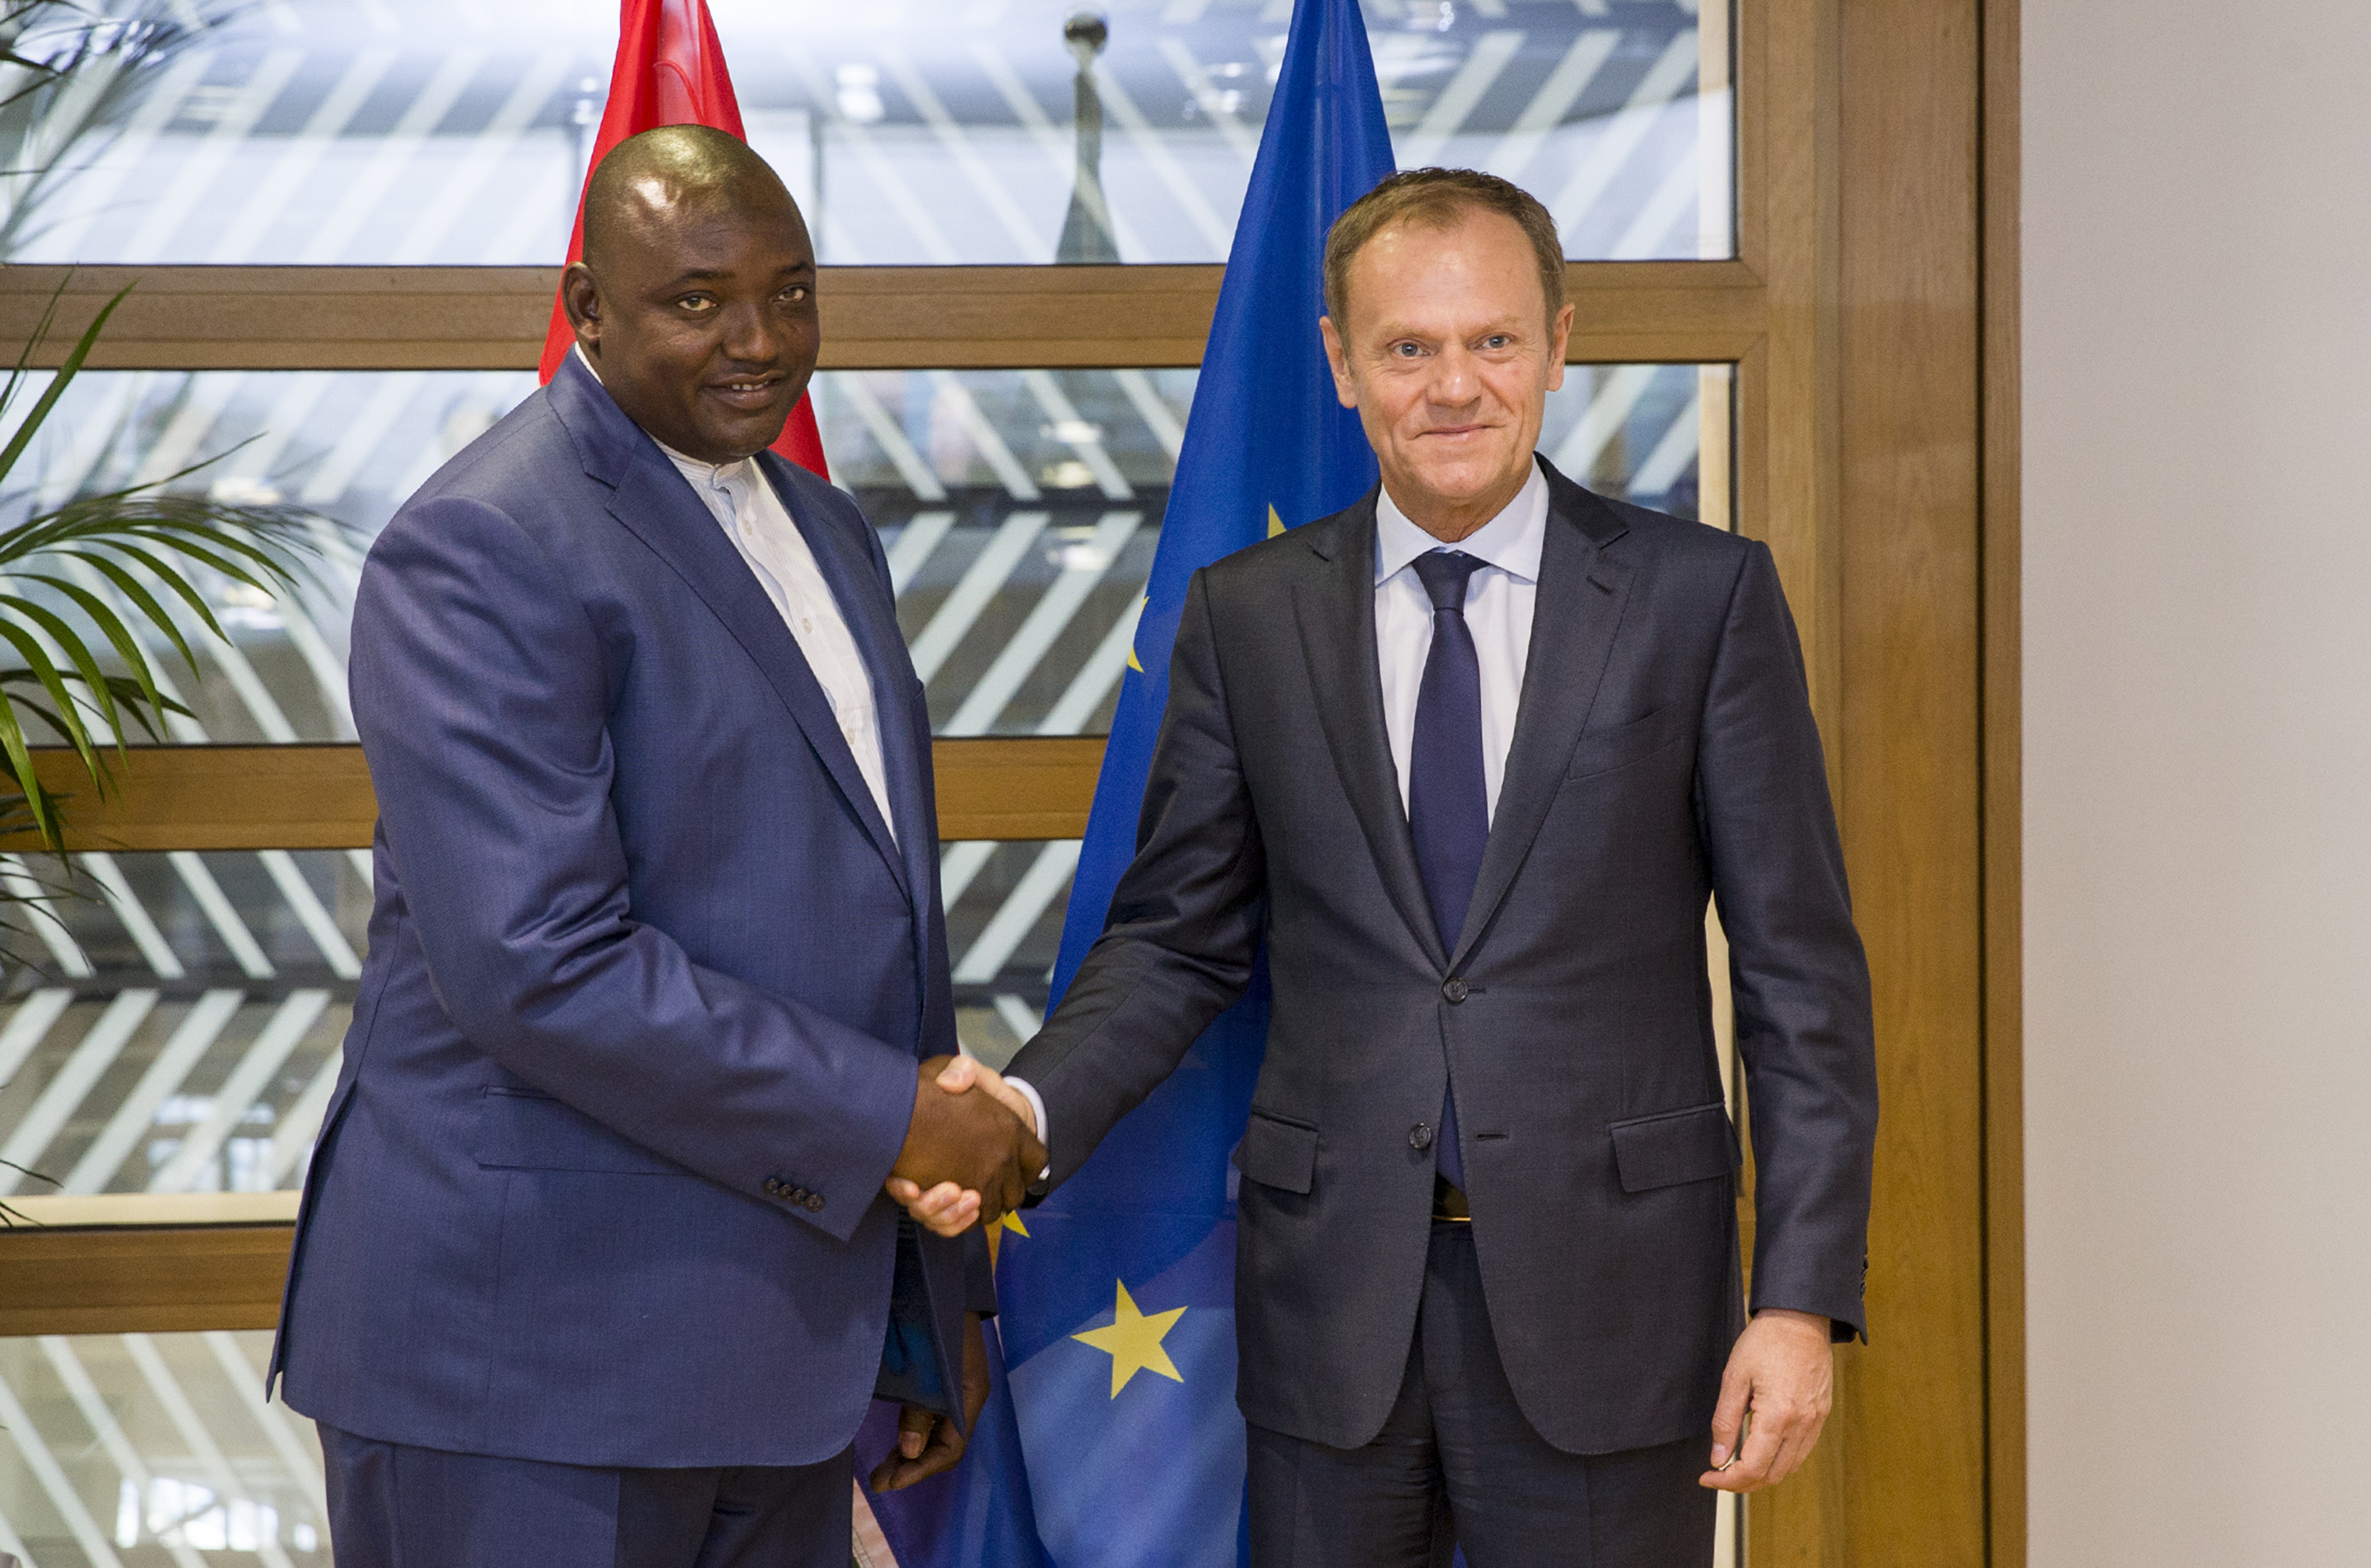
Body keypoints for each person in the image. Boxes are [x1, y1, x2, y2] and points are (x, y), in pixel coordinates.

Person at [915, 169, 1879, 1564]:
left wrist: (1798, 1302)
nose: (1454, 386)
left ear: (1559, 340)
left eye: (1492, 340)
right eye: (1408, 347)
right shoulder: (1248, 617)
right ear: (1340, 363)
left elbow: (1801, 979)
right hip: (1333, 1309)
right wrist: (1022, 1108)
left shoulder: (1701, 600)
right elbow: (1177, 940)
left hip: (1617, 1303)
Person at [270, 125, 1043, 1568]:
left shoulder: (827, 526)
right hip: (532, 1372)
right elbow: (540, 967)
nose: (758, 339)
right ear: (585, 310)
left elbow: (866, 923)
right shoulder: (485, 544)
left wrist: (923, 1307)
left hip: (780, 1357)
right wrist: (895, 1118)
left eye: (792, 291)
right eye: (697, 300)